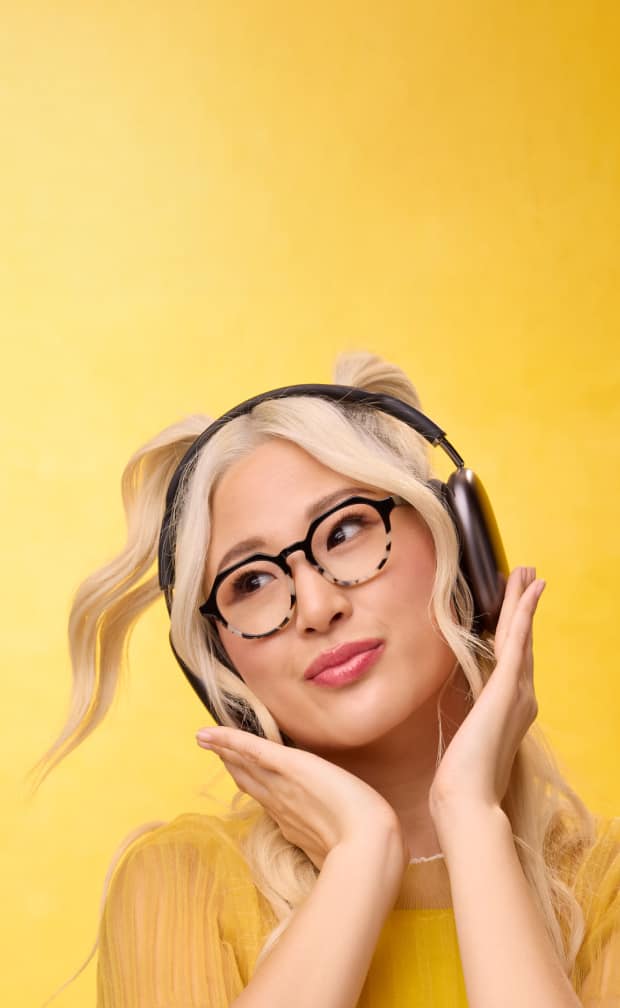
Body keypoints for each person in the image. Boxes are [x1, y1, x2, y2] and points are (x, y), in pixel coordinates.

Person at [35, 352, 619, 1007]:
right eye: (250, 581)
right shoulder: (181, 882)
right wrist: (360, 858)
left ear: (460, 539)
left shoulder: (607, 890)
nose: (315, 607)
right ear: (222, 662)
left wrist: (471, 818)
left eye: (345, 531)